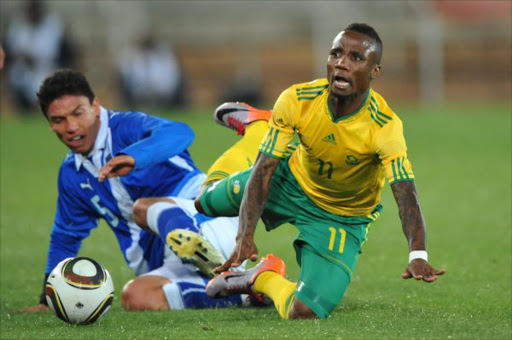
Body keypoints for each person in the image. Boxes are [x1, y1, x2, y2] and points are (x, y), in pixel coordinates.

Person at [197, 23, 446, 319]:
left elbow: (406, 195)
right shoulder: (297, 100)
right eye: (336, 53)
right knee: (203, 201)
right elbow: (264, 170)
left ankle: (262, 276)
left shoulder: (385, 127)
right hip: (288, 180)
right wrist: (244, 235)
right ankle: (258, 131)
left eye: (356, 58)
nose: (342, 63)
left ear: (374, 72)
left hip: (339, 217)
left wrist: (418, 254)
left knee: (303, 311)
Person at [20, 69, 272, 313]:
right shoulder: (72, 176)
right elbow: (65, 235)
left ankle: (212, 259)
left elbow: (180, 133)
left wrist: (134, 156)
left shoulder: (126, 127)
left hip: (208, 219)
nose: (71, 126)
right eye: (59, 120)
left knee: (143, 208)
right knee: (136, 296)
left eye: (78, 113)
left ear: (95, 106)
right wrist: (47, 298)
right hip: (165, 257)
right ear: (50, 124)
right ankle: (241, 291)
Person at [5, 0, 77, 113]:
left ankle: (43, 108)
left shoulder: (52, 26)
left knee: (44, 82)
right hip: (23, 70)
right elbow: (11, 50)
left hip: (47, 68)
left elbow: (58, 52)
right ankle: (24, 108)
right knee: (17, 75)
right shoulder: (19, 26)